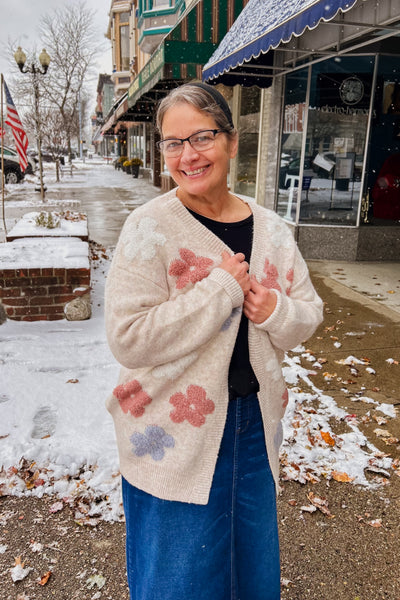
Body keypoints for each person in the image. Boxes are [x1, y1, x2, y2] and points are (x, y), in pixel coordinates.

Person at [105, 82, 323, 600]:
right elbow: (128, 337)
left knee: (249, 572)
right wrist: (219, 290)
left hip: (253, 427)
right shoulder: (149, 227)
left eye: (200, 137)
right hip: (172, 430)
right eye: (172, 142)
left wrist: (275, 311)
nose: (187, 155)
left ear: (231, 142)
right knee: (179, 576)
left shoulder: (272, 229)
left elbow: (308, 313)